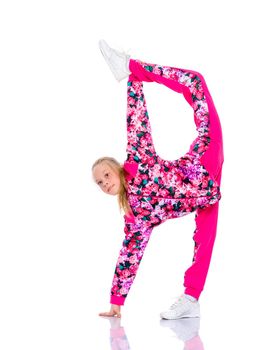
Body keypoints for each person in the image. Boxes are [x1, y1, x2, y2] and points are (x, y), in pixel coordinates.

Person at [92, 40, 224, 319]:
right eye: (100, 183)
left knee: (196, 82)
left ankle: (130, 66)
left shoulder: (138, 162)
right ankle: (191, 299)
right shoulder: (136, 215)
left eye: (105, 174)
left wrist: (131, 79)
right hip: (206, 199)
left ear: (117, 168)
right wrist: (116, 302)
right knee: (204, 240)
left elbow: (136, 119)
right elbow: (129, 255)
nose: (105, 182)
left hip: (203, 162)